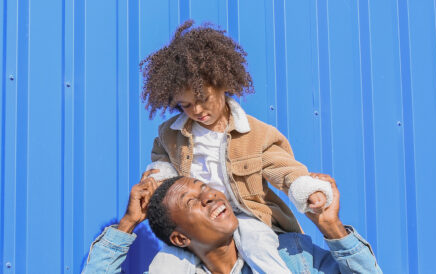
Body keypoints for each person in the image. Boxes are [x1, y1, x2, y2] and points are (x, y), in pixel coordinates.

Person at [140, 20, 333, 272]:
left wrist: (306, 189)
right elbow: (162, 162)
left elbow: (283, 168)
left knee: (257, 246)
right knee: (165, 264)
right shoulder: (171, 133)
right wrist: (156, 180)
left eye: (202, 99)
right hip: (199, 224)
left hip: (248, 217)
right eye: (186, 105)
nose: (197, 110)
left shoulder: (256, 134)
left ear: (223, 84)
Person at [82, 171, 381, 273]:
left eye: (204, 188)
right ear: (180, 238)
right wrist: (128, 224)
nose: (210, 197)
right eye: (192, 202)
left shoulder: (291, 257)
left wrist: (331, 227)